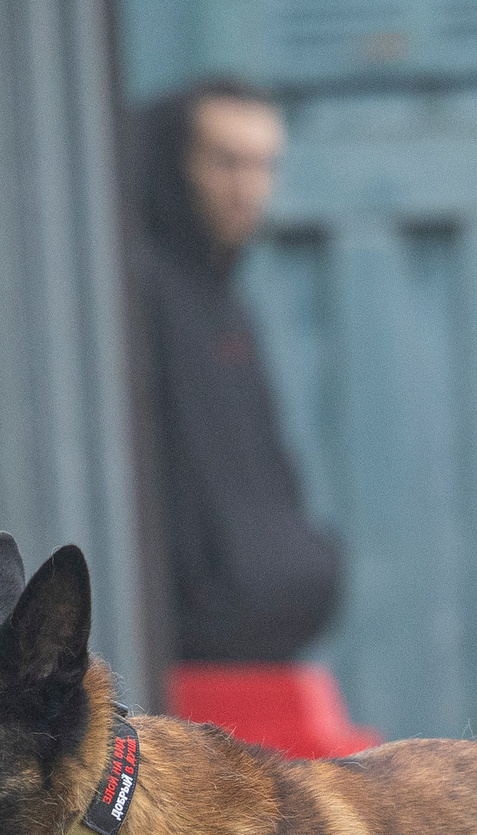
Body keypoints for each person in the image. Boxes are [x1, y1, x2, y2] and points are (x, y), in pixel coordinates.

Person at [131, 78, 342, 663]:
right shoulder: (138, 292)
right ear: (171, 165)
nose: (249, 189)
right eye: (226, 163)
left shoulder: (223, 301)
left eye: (263, 166)